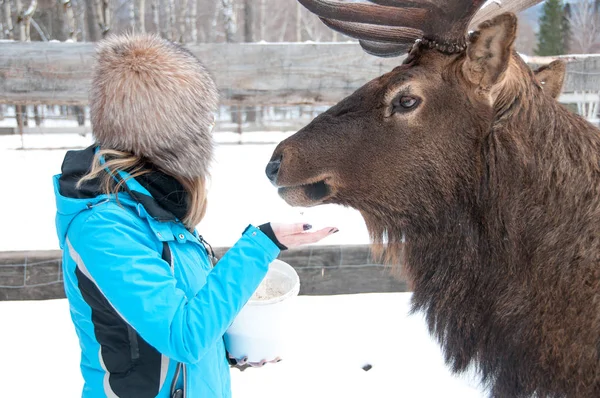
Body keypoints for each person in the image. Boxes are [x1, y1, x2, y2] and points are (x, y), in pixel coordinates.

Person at [52, 34, 337, 398]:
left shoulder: (157, 205)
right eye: (199, 126)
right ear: (171, 137)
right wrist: (263, 243)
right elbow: (182, 335)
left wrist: (230, 349)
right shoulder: (105, 228)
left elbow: (188, 322)